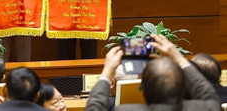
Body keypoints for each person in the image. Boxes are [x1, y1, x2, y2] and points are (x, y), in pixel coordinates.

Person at [84, 34, 220, 111]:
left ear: (142, 88)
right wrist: (179, 58)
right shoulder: (202, 108)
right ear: (183, 86)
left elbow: (94, 107)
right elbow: (208, 94)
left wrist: (107, 71)